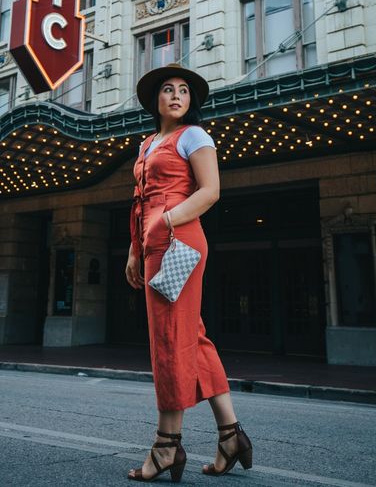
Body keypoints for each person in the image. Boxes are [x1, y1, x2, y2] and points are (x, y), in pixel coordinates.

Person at [125, 63, 252, 482]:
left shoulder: (194, 135)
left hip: (178, 242)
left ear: (191, 101)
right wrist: (134, 247)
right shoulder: (147, 144)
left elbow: (211, 190)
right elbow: (140, 200)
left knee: (170, 338)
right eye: (168, 89)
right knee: (191, 337)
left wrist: (165, 222)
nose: (177, 95)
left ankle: (166, 445)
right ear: (155, 101)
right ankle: (231, 435)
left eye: (184, 90)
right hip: (153, 243)